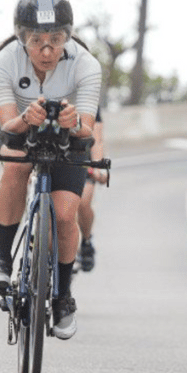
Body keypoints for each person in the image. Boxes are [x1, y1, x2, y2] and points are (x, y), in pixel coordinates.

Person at [0, 0, 101, 340]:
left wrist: (72, 124)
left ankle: (63, 297)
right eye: (37, 41)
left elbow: (86, 128)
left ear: (68, 37)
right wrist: (27, 118)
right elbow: (7, 126)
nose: (47, 50)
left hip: (69, 133)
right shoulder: (2, 63)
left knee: (66, 213)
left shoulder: (87, 65)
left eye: (56, 39)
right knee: (17, 165)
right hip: (18, 125)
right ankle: (2, 259)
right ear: (22, 38)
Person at [76, 109, 106, 273]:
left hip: (80, 155)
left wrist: (98, 166)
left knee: (83, 201)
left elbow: (97, 137)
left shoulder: (87, 95)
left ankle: (86, 241)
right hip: (49, 155)